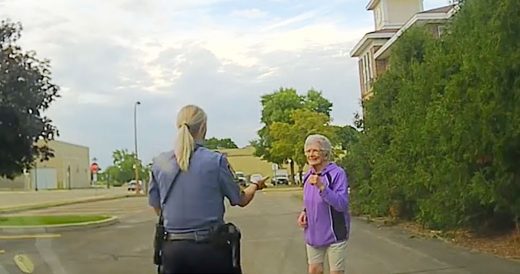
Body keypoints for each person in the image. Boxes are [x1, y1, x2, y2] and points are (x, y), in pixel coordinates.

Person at [148, 104, 268, 274]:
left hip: (173, 251)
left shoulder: (159, 163)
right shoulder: (215, 161)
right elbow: (240, 200)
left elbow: (157, 206)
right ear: (203, 127)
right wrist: (255, 185)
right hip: (209, 250)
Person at [297, 134, 350, 274]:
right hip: (313, 233)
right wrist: (304, 212)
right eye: (308, 151)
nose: (311, 154)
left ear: (325, 154)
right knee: (314, 270)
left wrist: (323, 188)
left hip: (335, 233)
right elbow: (309, 200)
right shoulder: (308, 175)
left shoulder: (337, 174)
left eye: (315, 150)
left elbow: (342, 204)